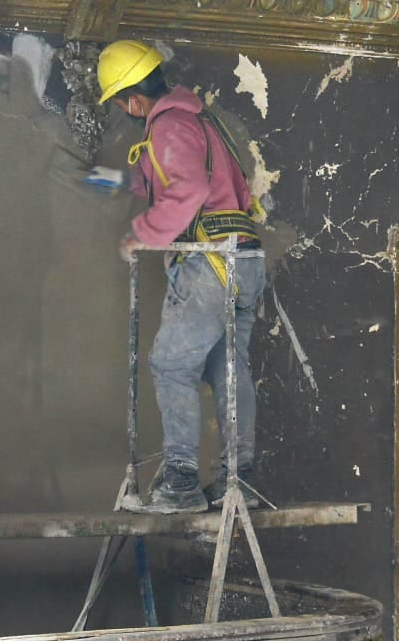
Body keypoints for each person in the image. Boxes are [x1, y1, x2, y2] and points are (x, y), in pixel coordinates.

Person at [85, 40, 267, 514]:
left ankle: (182, 482)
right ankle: (239, 483)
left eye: (121, 104)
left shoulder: (167, 124)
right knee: (228, 369)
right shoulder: (197, 120)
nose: (126, 112)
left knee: (171, 364)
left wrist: (142, 233)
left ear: (133, 99)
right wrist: (117, 180)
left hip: (211, 262)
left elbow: (187, 189)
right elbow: (169, 176)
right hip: (244, 258)